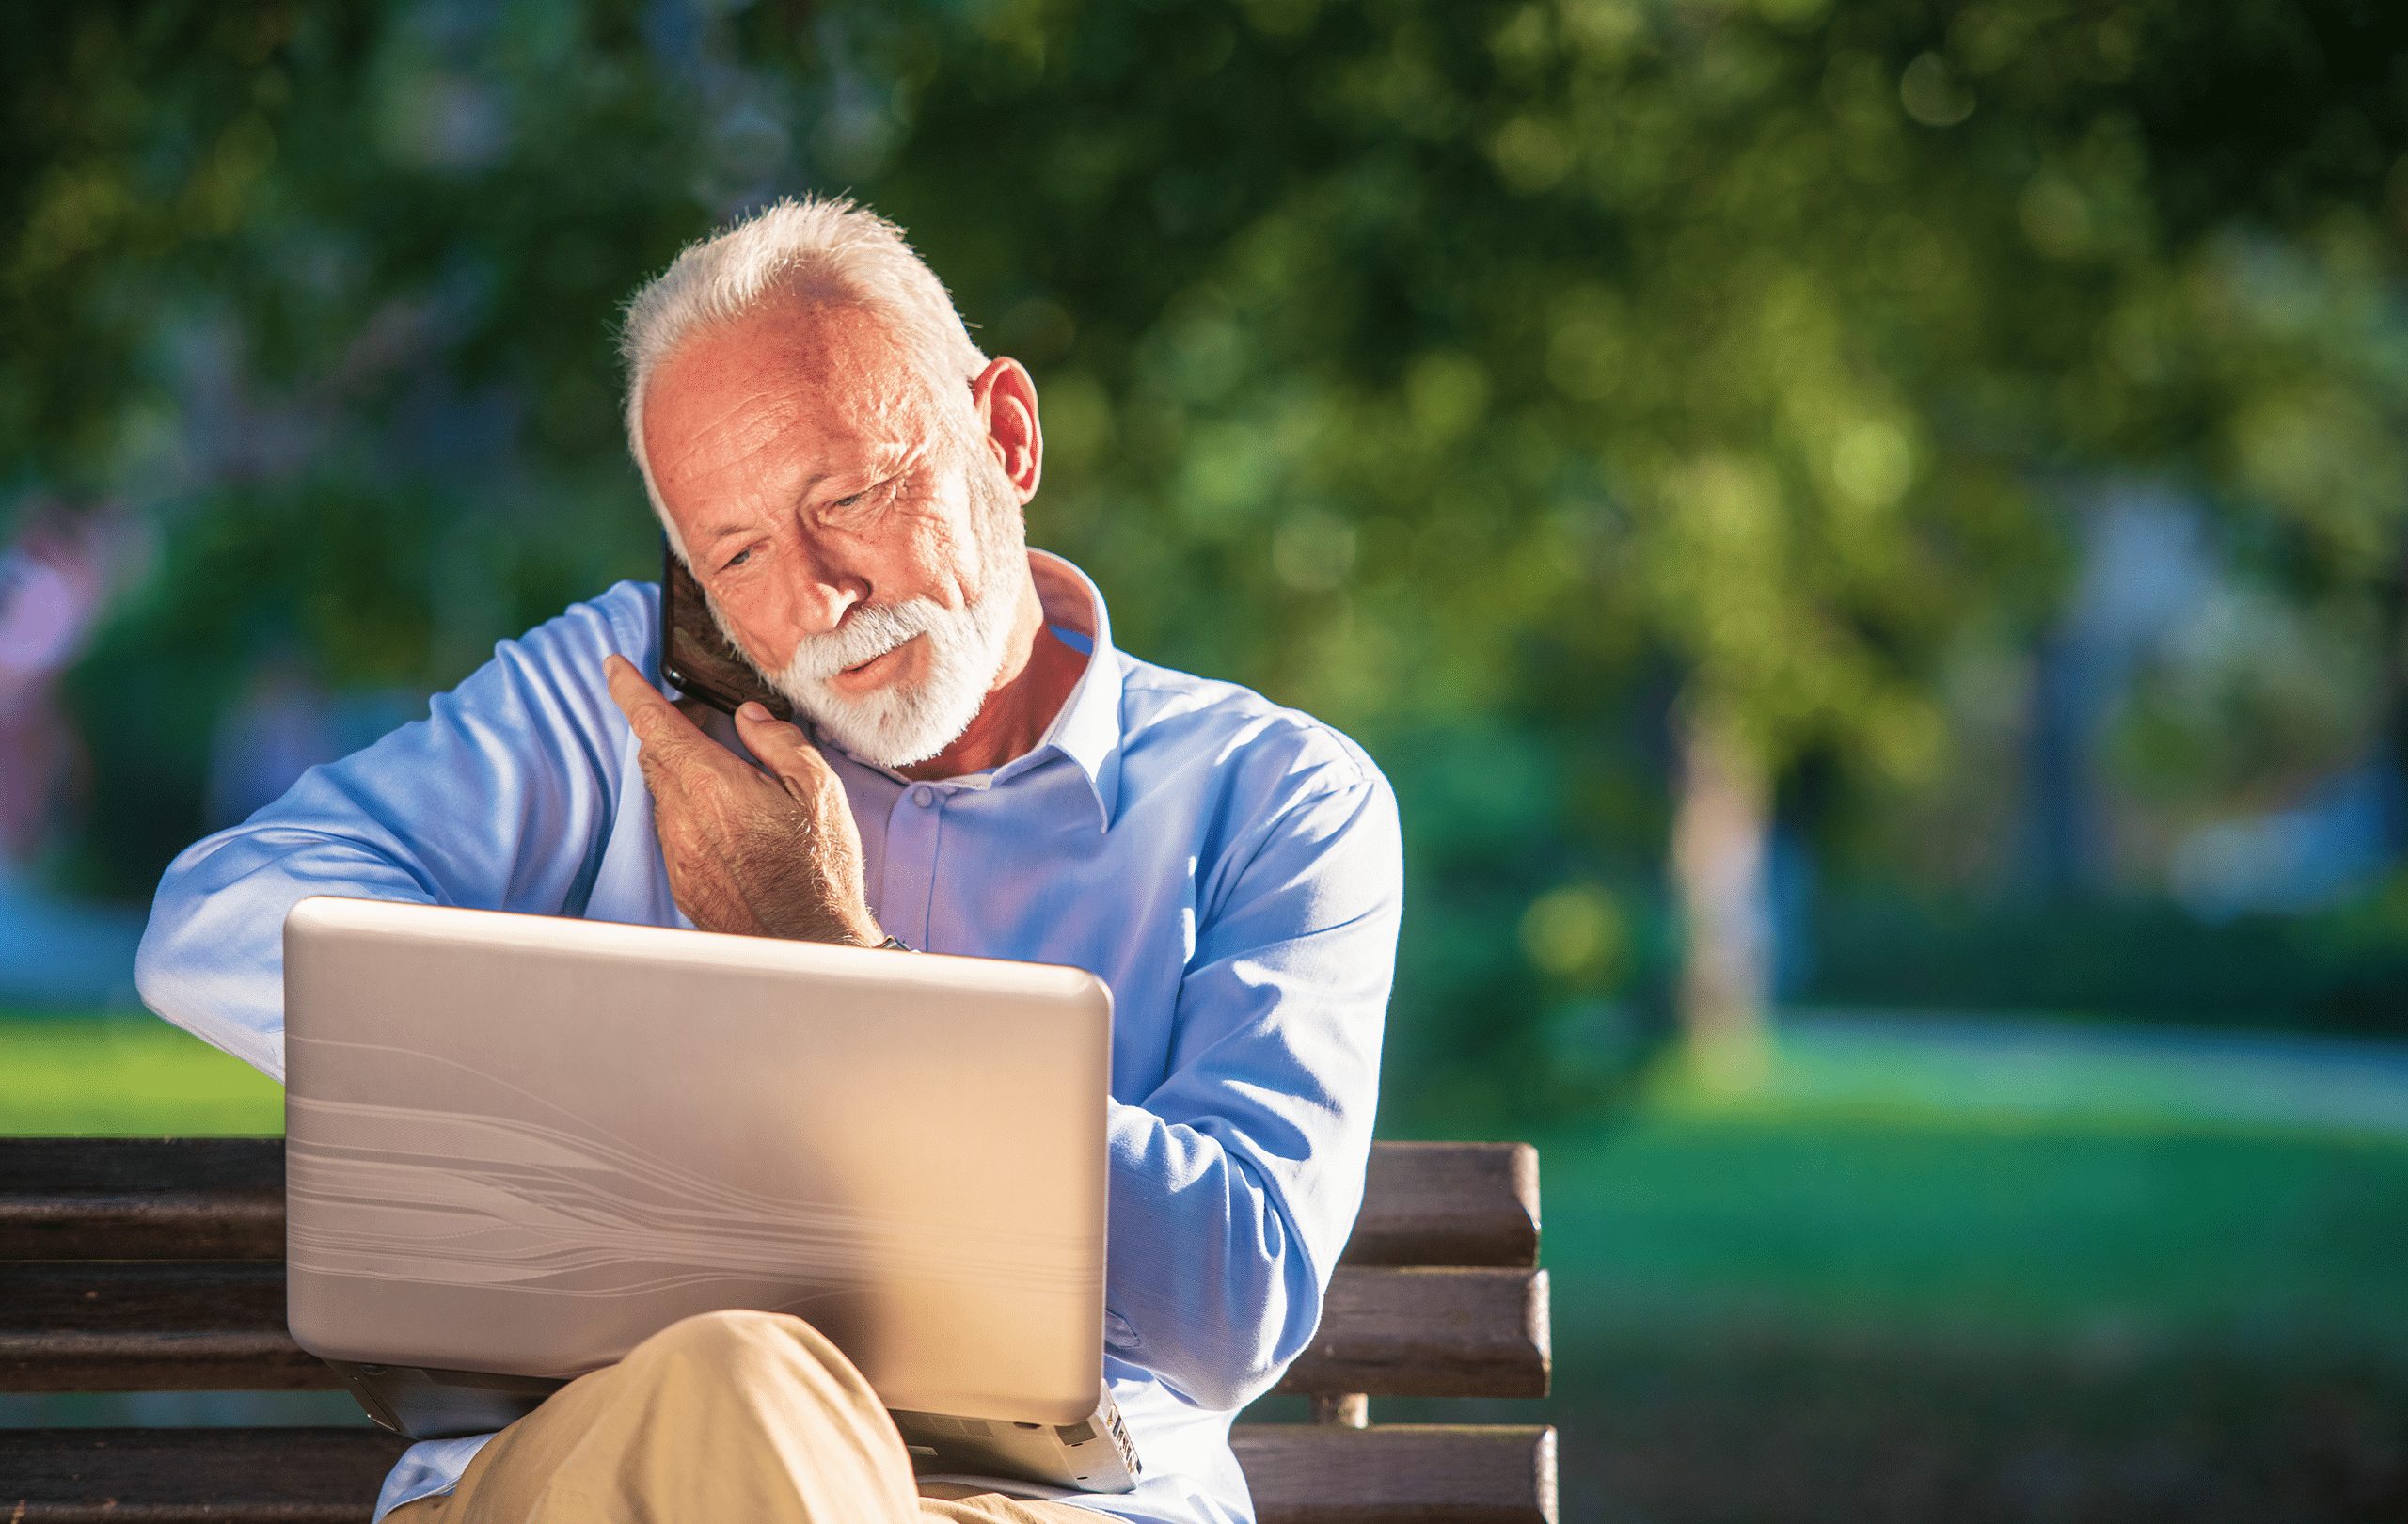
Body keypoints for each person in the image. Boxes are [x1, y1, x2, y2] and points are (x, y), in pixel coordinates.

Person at [135, 198, 1402, 1524]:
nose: (818, 598)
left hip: (1049, 1505)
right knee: (735, 1384)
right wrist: (625, 1060)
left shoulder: (1278, 797)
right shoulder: (624, 696)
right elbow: (217, 928)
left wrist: (837, 971)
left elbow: (1236, 1305)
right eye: (736, 553)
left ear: (1007, 436)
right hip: (599, 1462)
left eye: (850, 496)